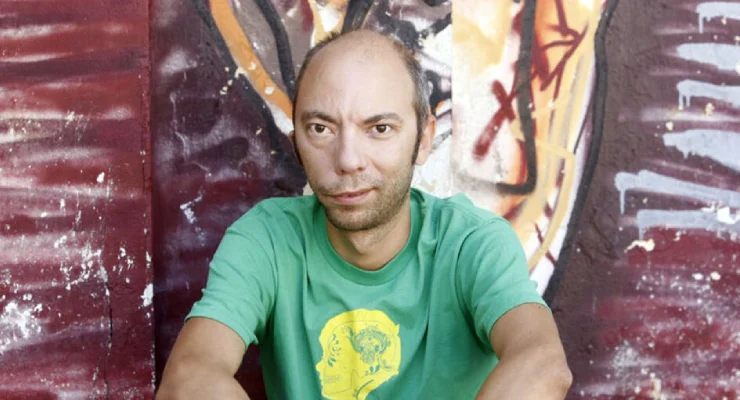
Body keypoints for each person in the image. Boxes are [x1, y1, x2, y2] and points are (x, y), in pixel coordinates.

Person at [157, 29, 572, 400]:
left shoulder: (471, 244)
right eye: (321, 128)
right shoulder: (267, 241)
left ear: (424, 139)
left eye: (380, 129)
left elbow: (542, 364)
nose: (348, 160)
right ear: (296, 141)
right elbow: (189, 378)